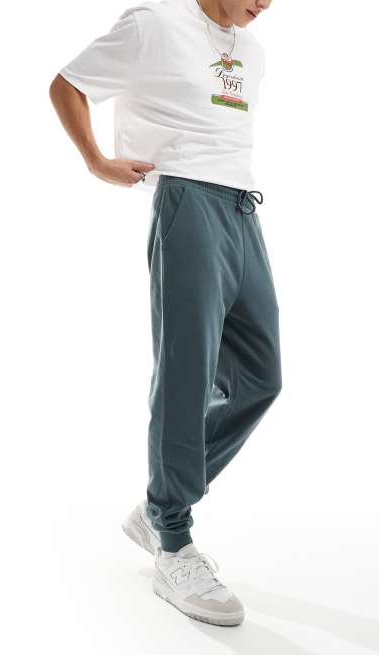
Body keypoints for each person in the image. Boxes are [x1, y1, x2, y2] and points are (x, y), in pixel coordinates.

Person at [50, 0, 280, 627]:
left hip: (243, 209)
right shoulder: (154, 23)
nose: (267, 3)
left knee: (260, 378)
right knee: (186, 376)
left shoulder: (252, 50)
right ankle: (173, 541)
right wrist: (96, 160)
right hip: (187, 200)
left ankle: (158, 505)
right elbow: (68, 84)